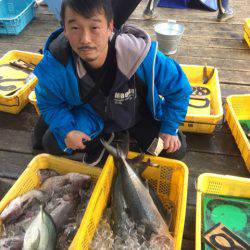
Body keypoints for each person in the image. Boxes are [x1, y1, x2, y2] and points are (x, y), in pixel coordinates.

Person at [32, 0, 192, 166]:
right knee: (51, 142)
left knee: (175, 149)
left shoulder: (140, 55)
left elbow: (179, 88)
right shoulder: (57, 65)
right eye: (75, 28)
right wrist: (68, 131)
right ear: (64, 30)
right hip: (92, 116)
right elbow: (50, 103)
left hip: (137, 114)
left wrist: (169, 128)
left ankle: (113, 140)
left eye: (94, 27)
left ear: (110, 27)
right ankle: (105, 138)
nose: (85, 39)